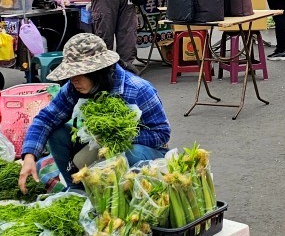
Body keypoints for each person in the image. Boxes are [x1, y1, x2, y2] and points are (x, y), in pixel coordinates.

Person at [19, 34, 171, 187]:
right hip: (98, 146)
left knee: (131, 155)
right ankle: (77, 188)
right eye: (71, 75)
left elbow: (161, 133)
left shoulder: (138, 89)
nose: (73, 80)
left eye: (79, 74)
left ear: (98, 72)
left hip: (143, 153)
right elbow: (46, 119)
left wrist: (117, 137)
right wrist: (29, 156)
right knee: (57, 132)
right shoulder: (73, 88)